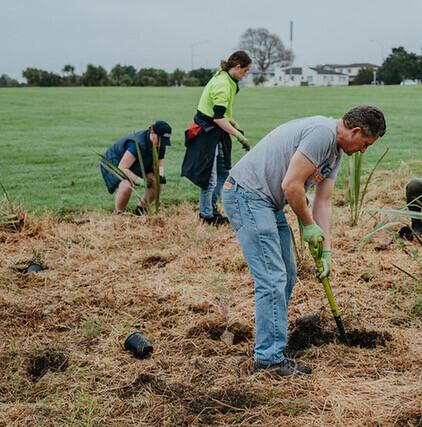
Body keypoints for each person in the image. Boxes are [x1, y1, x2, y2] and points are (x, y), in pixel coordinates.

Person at [221, 106, 386, 377]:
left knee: (286, 273)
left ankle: (274, 345)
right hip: (247, 195)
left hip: (267, 203)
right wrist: (308, 226)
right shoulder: (322, 133)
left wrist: (327, 251)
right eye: (365, 144)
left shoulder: (335, 152)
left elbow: (323, 201)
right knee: (272, 278)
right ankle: (268, 360)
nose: (364, 150)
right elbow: (291, 185)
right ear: (355, 131)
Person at [181, 51, 252, 226]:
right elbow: (218, 118)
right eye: (245, 70)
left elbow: (224, 112)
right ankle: (207, 216)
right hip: (207, 132)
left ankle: (210, 207)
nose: (245, 75)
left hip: (216, 131)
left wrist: (234, 125)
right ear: (237, 67)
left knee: (226, 171)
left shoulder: (227, 78)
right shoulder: (223, 84)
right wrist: (239, 136)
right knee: (209, 178)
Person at [100, 121, 172, 214]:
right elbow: (122, 168)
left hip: (139, 162)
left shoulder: (159, 143)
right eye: (160, 139)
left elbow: (159, 164)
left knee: (157, 183)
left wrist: (160, 176)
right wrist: (139, 181)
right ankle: (118, 213)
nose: (162, 143)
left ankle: (140, 210)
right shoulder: (136, 144)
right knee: (126, 185)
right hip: (115, 163)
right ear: (152, 133)